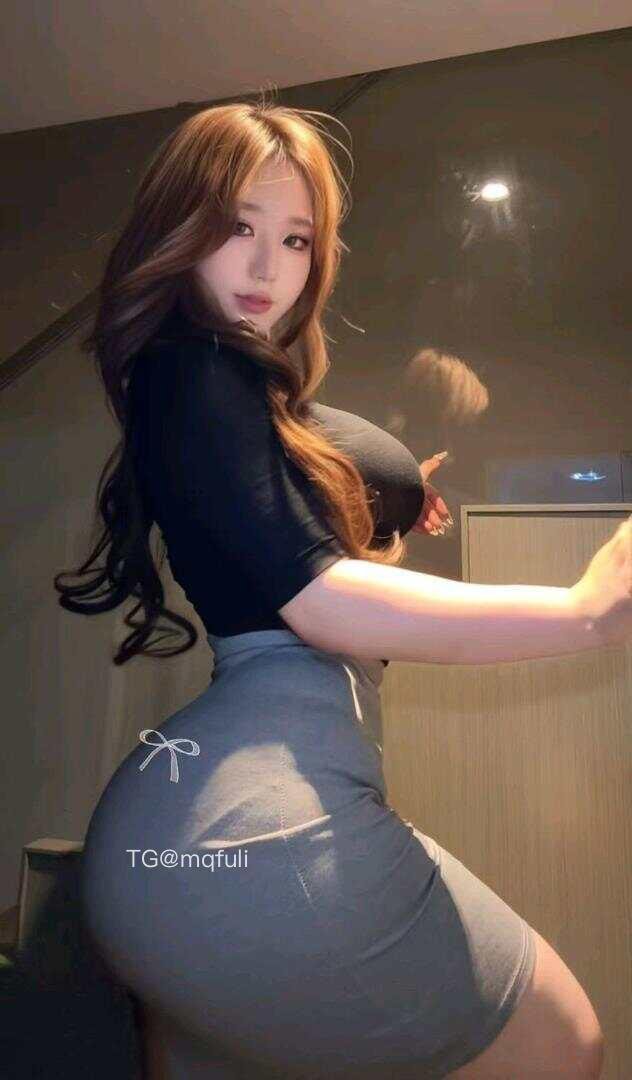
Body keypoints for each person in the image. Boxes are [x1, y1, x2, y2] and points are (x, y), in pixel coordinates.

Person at [53, 95, 628, 1078]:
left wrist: (386, 502)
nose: (266, 268)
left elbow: (285, 545)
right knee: (560, 1042)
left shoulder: (217, 386)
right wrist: (586, 613)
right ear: (178, 227)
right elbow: (318, 603)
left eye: (295, 239)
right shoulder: (198, 371)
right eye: (236, 227)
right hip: (258, 835)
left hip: (171, 849)